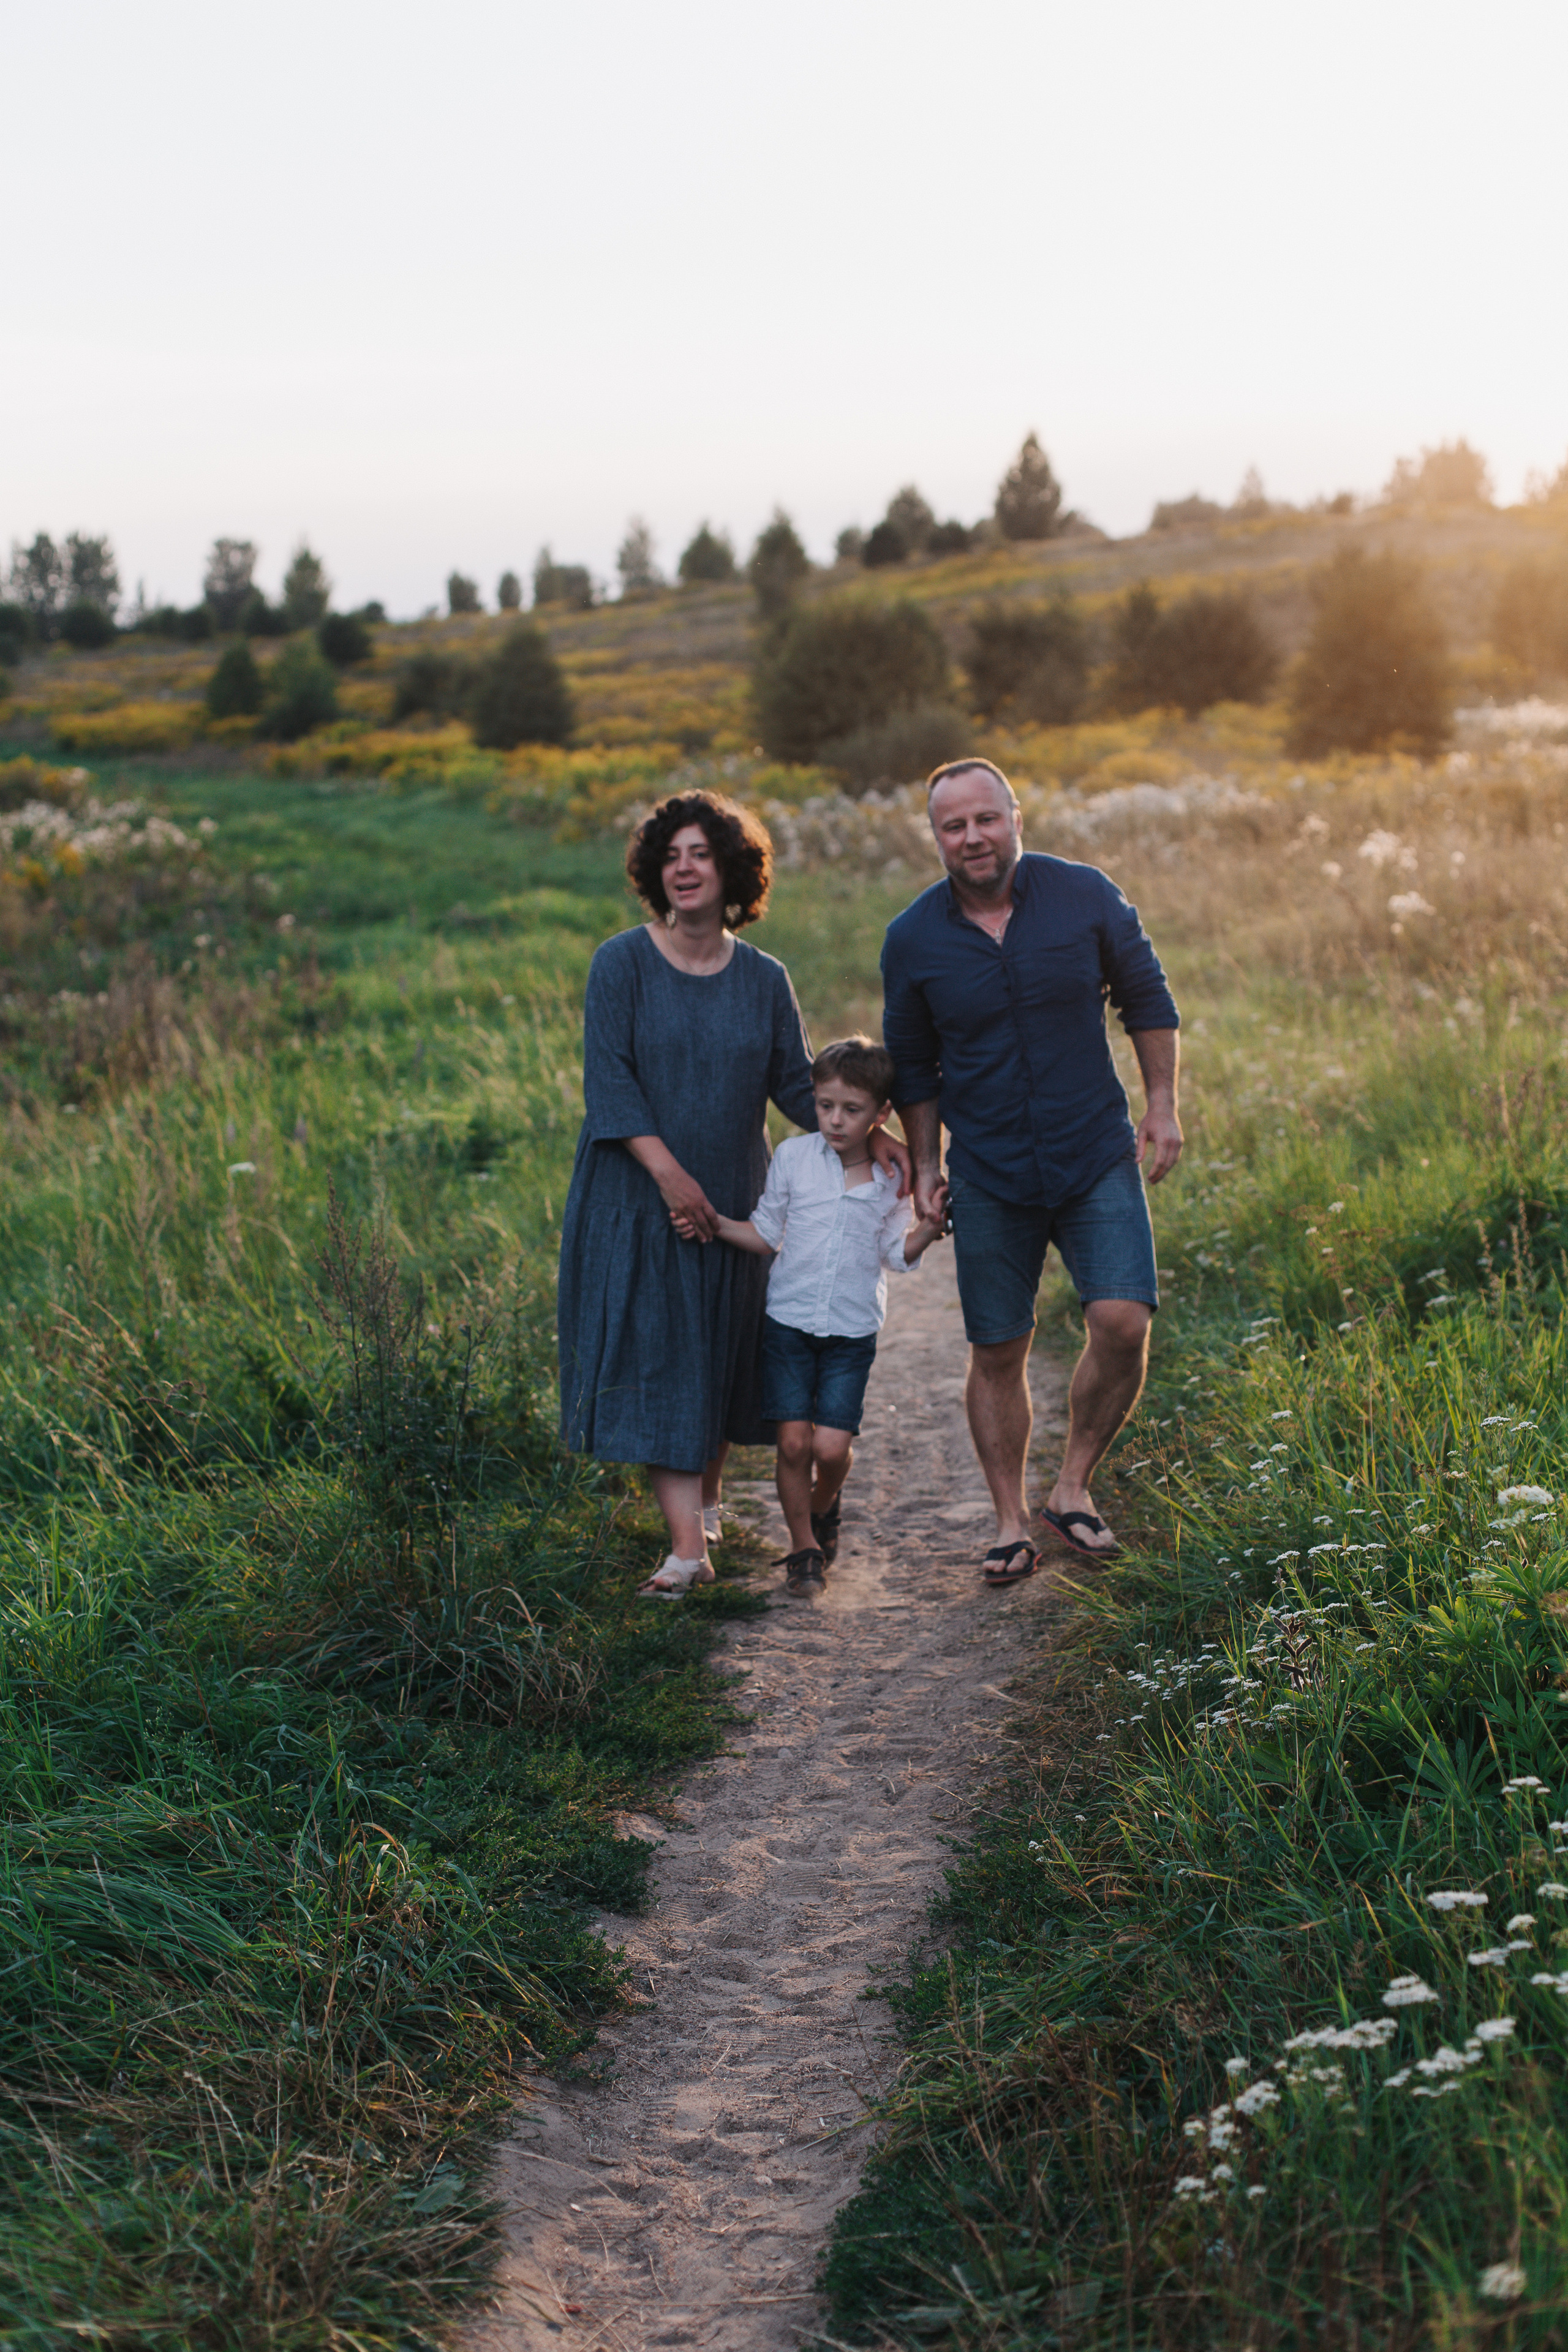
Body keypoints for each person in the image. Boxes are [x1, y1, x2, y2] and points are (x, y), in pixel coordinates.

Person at [557, 791, 909, 1599]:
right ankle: (688, 1551)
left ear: (731, 872)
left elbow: (800, 1089)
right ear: (656, 870)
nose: (684, 868)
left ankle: (709, 1499)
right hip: (639, 1197)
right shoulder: (621, 964)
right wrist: (672, 1179)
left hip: (738, 1202)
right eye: (671, 854)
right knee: (662, 1359)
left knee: (718, 1355)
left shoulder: (763, 978)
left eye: (701, 854)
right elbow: (609, 1089)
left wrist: (875, 1133)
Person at [881, 758, 1182, 1585]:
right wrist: (929, 1166)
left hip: (1094, 1153)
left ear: (1016, 818)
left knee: (1123, 1321)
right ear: (937, 836)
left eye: (986, 818)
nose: (972, 837)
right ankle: (1011, 1520)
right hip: (990, 1171)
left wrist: (1161, 1105)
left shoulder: (1086, 896)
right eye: (954, 825)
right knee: (998, 1348)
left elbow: (1147, 999)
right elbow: (912, 1065)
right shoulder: (912, 939)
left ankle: (1073, 1486)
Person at [672, 1036, 944, 1596]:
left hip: (850, 1332)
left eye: (852, 1110)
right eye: (825, 1106)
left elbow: (894, 1253)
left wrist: (928, 1231)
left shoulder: (892, 1179)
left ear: (882, 1114)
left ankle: (824, 1506)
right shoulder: (795, 1158)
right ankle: (803, 1549)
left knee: (831, 1450)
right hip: (789, 1325)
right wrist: (713, 1223)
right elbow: (768, 1230)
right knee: (794, 1444)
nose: (835, 1121)